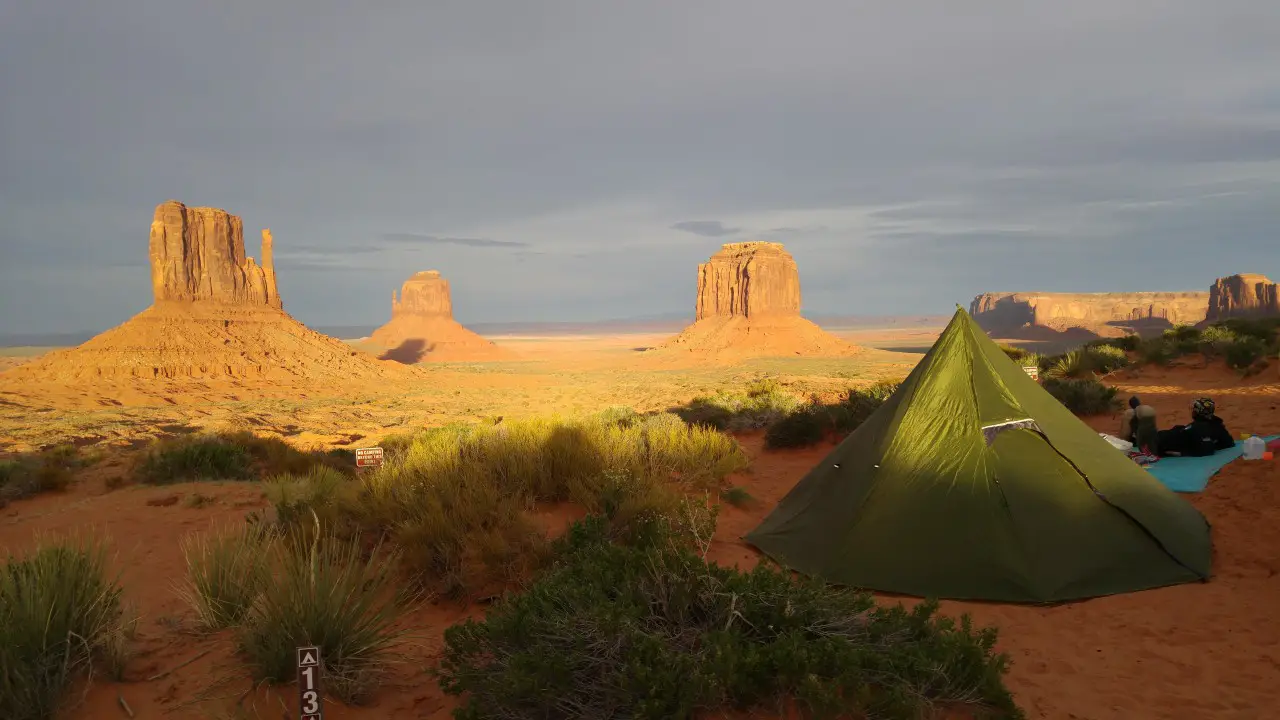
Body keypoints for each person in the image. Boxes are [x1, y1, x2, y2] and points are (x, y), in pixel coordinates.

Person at [1155, 397, 1235, 457]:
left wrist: (1181, 453)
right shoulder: (1217, 424)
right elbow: (1229, 442)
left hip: (1162, 443)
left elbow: (1206, 450)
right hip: (1179, 436)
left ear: (1197, 412)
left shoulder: (1197, 428)